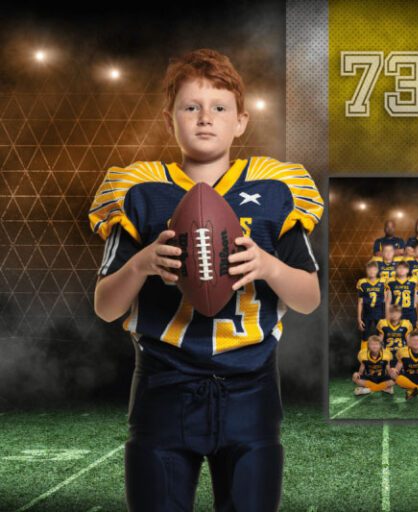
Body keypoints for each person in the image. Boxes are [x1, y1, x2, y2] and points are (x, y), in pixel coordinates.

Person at [90, 49, 323, 512]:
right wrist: (141, 265)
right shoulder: (140, 193)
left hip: (251, 389)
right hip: (163, 387)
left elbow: (309, 298)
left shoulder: (276, 189)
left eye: (219, 108)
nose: (204, 119)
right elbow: (106, 307)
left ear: (241, 121)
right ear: (169, 119)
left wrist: (268, 267)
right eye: (190, 107)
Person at [389, 330, 418, 400]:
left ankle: (414, 391)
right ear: (409, 342)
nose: (416, 342)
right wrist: (394, 370)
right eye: (413, 340)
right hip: (409, 378)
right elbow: (398, 366)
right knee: (393, 375)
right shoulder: (402, 351)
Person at [357, 261, 387, 338]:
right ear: (366, 271)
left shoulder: (383, 282)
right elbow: (360, 302)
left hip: (380, 313)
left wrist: (387, 317)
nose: (371, 272)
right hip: (367, 314)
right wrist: (359, 318)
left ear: (377, 270)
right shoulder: (362, 282)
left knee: (382, 334)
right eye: (369, 270)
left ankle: (381, 350)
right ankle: (364, 350)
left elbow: (387, 301)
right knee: (364, 335)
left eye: (374, 270)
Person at [385, 261, 418, 326]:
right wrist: (387, 316)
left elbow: (416, 301)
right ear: (395, 269)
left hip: (410, 311)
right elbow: (388, 301)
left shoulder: (414, 281)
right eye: (399, 268)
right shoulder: (391, 282)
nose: (401, 270)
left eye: (404, 268)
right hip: (396, 312)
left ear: (408, 270)